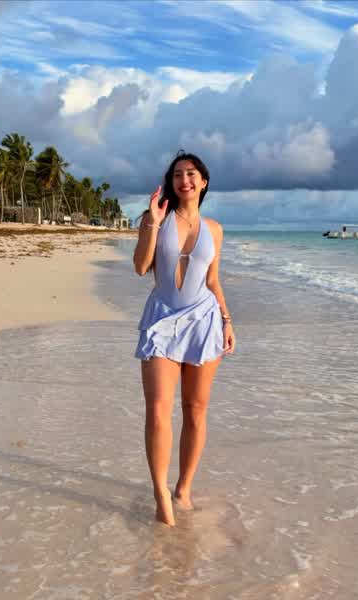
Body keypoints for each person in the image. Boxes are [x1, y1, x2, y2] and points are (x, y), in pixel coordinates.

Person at [133, 151, 236, 527]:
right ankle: (161, 493)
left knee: (195, 409)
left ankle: (183, 489)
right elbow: (141, 267)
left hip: (204, 321)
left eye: (191, 174)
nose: (184, 180)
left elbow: (212, 281)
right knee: (159, 409)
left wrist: (227, 320)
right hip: (162, 320)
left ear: (203, 182)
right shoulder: (155, 219)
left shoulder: (215, 229)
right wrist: (152, 223)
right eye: (177, 174)